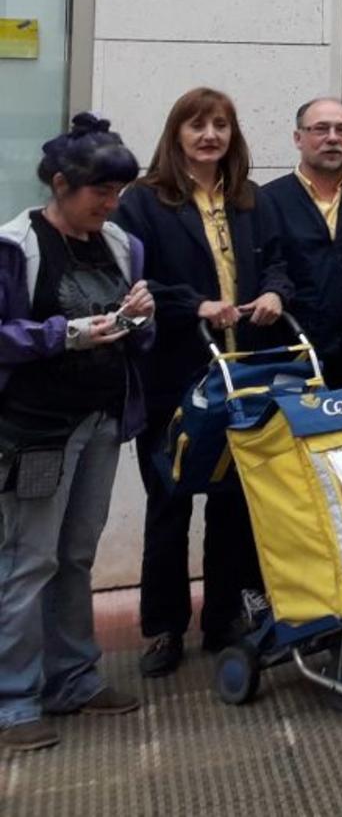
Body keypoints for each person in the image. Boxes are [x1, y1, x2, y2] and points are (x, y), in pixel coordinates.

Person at [114, 87, 290, 676]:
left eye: (220, 125)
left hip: (244, 375)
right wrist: (194, 305)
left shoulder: (250, 200)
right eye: (197, 125)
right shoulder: (143, 203)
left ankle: (223, 620)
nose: (210, 135)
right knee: (169, 503)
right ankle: (163, 629)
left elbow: (279, 263)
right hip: (177, 376)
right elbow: (133, 286)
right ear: (176, 133)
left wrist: (273, 292)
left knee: (234, 505)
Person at [0, 115, 154, 751]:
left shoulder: (120, 244)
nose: (110, 204)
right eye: (100, 192)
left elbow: (138, 336)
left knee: (76, 556)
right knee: (26, 560)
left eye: (118, 191)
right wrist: (63, 334)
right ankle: (13, 703)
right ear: (61, 184)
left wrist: (140, 320)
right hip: (35, 430)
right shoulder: (16, 246)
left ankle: (74, 679)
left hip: (100, 422)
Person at [259, 97, 342, 388]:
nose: (332, 138)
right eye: (321, 129)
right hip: (289, 356)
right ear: (298, 138)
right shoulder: (265, 201)